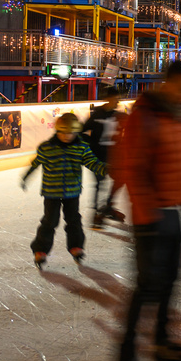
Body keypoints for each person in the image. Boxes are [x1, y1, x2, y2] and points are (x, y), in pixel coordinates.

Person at [111, 60, 181, 361]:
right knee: (147, 286)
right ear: (167, 83)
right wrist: (147, 213)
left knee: (171, 280)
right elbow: (131, 165)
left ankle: (161, 343)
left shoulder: (177, 113)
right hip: (151, 215)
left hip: (172, 211)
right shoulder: (146, 114)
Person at [22, 113, 108, 268]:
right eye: (63, 132)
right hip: (51, 192)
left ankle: (76, 246)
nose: (67, 136)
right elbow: (36, 163)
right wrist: (26, 177)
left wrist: (105, 169)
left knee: (73, 219)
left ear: (76, 133)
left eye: (71, 133)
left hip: (72, 192)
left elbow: (92, 163)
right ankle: (40, 250)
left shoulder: (81, 148)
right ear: (57, 131)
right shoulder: (47, 148)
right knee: (50, 221)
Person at [83, 88, 126, 229]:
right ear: (109, 99)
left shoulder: (119, 115)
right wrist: (87, 146)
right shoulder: (97, 114)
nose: (118, 102)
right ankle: (97, 214)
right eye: (116, 99)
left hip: (114, 157)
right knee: (100, 185)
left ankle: (107, 207)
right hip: (98, 157)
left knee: (119, 181)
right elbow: (82, 129)